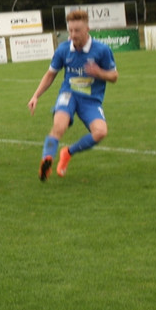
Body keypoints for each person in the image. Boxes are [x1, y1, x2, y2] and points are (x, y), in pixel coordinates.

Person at [27, 9, 118, 181]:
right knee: (59, 126)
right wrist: (35, 96)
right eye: (70, 30)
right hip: (69, 94)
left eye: (77, 31)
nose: (73, 35)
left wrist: (99, 72)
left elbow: (114, 76)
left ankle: (67, 153)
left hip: (91, 100)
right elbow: (50, 74)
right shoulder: (63, 50)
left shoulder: (102, 50)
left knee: (100, 132)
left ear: (87, 29)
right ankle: (47, 159)